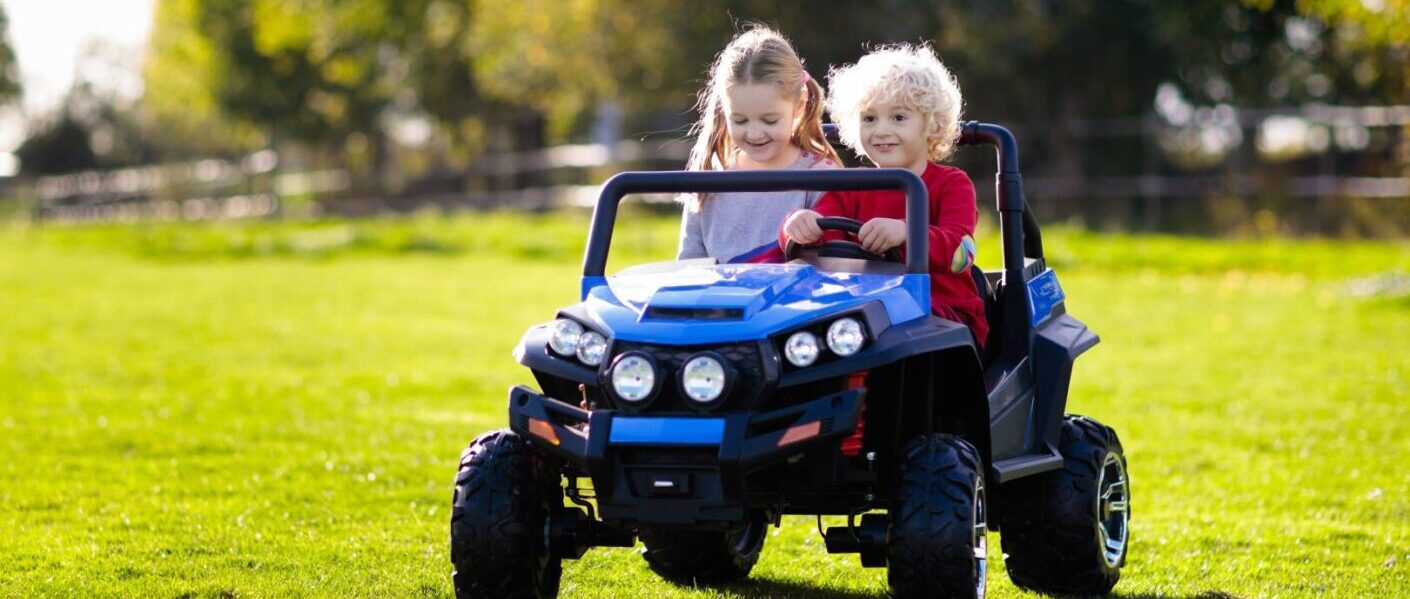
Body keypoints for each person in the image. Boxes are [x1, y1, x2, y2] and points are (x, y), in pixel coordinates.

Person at [780, 44, 988, 345]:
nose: (881, 130)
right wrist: (798, 226)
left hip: (942, 316)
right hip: (862, 310)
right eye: (869, 118)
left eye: (899, 118)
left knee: (886, 323)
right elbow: (822, 231)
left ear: (933, 125)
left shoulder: (951, 184)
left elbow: (960, 253)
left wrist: (908, 233)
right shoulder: (852, 186)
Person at [676, 26, 841, 264]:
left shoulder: (821, 178)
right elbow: (689, 266)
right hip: (720, 300)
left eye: (769, 120)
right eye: (739, 120)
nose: (754, 133)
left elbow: (836, 266)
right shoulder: (708, 178)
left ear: (799, 104)